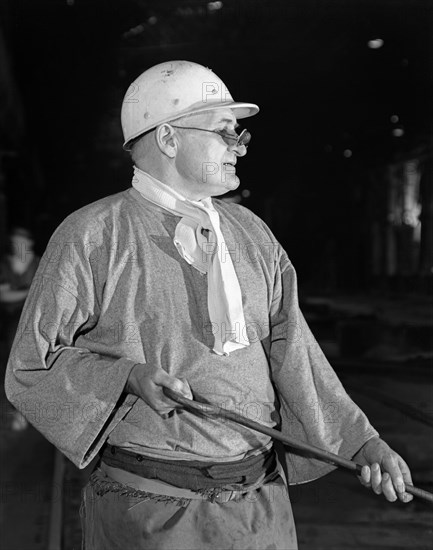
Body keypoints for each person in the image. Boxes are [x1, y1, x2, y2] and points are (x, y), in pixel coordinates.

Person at [5, 61, 413, 550]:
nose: (238, 145)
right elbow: (31, 367)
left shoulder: (252, 235)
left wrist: (361, 440)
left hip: (260, 509)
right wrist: (125, 378)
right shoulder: (92, 237)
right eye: (224, 131)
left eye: (238, 133)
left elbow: (295, 352)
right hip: (150, 515)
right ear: (169, 139)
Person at [1, 226, 39, 430]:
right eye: (15, 242)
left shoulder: (39, 263)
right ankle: (16, 411)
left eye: (21, 242)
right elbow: (3, 295)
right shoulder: (6, 265)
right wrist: (28, 293)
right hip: (10, 324)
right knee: (11, 366)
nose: (18, 245)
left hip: (34, 326)